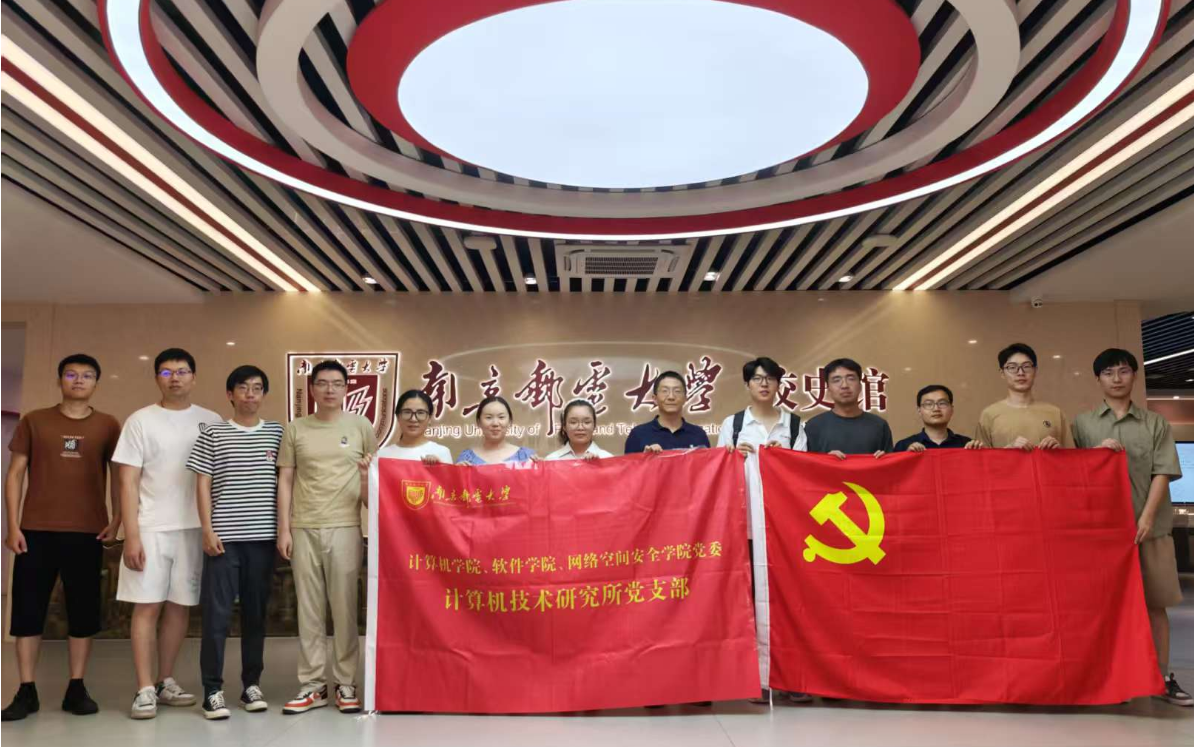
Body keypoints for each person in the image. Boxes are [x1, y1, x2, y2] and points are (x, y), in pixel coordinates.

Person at [2, 354, 122, 722]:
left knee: (83, 611)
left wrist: (117, 517)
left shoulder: (107, 425)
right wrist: (12, 525)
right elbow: (15, 474)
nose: (79, 380)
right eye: (71, 374)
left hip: (87, 531)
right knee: (27, 611)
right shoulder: (34, 421)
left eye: (87, 375)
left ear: (96, 383)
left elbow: (119, 476)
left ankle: (76, 687)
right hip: (35, 531)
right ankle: (26, 690)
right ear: (60, 381)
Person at [1072, 348, 1189, 706]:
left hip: (1151, 530)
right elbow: (1076, 475)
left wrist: (1147, 517)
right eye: (1109, 373)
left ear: (1135, 376)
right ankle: (1115, 680)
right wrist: (1096, 454)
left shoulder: (1155, 423)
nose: (1117, 378)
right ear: (1098, 379)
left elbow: (1163, 471)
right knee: (1108, 608)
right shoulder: (1083, 425)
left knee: (1156, 604)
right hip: (1103, 534)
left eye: (1124, 371)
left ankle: (1163, 678)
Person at [114, 348, 222, 719]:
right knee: (147, 606)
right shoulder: (140, 421)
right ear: (157, 378)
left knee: (180, 606)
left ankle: (164, 680)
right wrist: (131, 535)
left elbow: (218, 479)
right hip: (150, 528)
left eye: (182, 371)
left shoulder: (210, 420)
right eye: (166, 372)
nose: (174, 378)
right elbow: (127, 482)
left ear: (194, 377)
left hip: (194, 528)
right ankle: (144, 688)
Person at [277, 360, 377, 715]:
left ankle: (346, 683)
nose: (330, 389)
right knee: (309, 609)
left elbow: (372, 480)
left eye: (337, 383)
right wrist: (284, 528)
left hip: (346, 527)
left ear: (347, 388)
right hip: (303, 527)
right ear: (312, 389)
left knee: (345, 608)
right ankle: (313, 685)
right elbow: (285, 480)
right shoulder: (296, 429)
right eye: (322, 383)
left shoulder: (360, 426)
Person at [186, 365, 284, 720]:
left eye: (257, 388)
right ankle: (212, 690)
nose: (250, 394)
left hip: (263, 539)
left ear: (264, 394)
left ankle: (251, 685)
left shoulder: (276, 433)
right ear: (230, 394)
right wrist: (207, 529)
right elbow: (202, 484)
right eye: (243, 388)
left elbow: (286, 483)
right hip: (223, 540)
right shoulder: (213, 433)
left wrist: (283, 531)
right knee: (217, 616)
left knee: (256, 615)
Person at [716, 357, 807, 706]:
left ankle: (792, 676)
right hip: (747, 526)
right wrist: (731, 457)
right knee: (751, 604)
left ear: (779, 384)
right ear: (747, 385)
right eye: (757, 379)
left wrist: (789, 461)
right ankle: (758, 678)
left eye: (770, 378)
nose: (764, 384)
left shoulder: (794, 424)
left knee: (790, 602)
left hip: (787, 528)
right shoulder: (734, 424)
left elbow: (807, 474)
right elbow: (717, 472)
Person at [976, 342, 1070, 450]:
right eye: (1012, 367)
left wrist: (1059, 451)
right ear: (1002, 373)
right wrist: (1007, 451)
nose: (1020, 372)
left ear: (1035, 371)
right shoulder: (989, 415)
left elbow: (1073, 457)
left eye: (1026, 366)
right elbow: (981, 459)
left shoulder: (1055, 413)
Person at [804, 358, 893, 458]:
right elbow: (805, 465)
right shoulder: (814, 426)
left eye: (851, 379)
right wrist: (826, 461)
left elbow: (891, 464)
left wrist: (884, 459)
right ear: (828, 389)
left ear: (860, 386)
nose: (844, 385)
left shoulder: (879, 425)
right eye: (836, 380)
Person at [623, 371, 710, 454]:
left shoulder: (699, 435)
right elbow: (629, 465)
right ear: (655, 399)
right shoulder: (638, 435)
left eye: (677, 391)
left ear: (685, 399)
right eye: (665, 391)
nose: (671, 397)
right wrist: (645, 458)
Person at [894, 385, 983, 452]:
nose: (936, 409)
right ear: (919, 410)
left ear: (951, 409)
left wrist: (977, 453)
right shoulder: (903, 446)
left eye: (942, 403)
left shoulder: (966, 444)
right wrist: (907, 456)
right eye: (929, 404)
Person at [377, 390, 453, 464]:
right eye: (407, 412)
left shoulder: (442, 453)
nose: (413, 419)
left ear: (429, 418)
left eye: (420, 413)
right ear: (398, 417)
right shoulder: (381, 455)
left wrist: (439, 468)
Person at [456, 397, 536, 464]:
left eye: (501, 417)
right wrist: (457, 472)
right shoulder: (466, 459)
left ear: (510, 422)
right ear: (479, 422)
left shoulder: (525, 457)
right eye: (488, 417)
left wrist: (540, 470)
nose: (495, 423)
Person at [545, 400, 614, 460]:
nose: (580, 427)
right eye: (573, 422)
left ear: (594, 425)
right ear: (564, 426)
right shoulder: (551, 460)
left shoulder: (607, 459)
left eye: (586, 422)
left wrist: (600, 466)